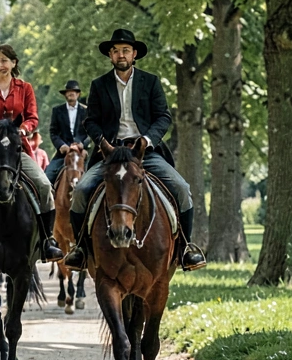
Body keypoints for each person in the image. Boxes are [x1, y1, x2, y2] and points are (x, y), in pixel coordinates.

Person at [62, 28, 206, 273]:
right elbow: (91, 121)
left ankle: (185, 248)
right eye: (116, 51)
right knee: (81, 191)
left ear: (134, 53)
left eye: (125, 50)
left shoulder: (150, 82)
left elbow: (163, 116)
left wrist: (147, 139)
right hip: (111, 154)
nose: (121, 55)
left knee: (182, 189)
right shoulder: (99, 85)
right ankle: (80, 249)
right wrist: (102, 143)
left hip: (144, 153)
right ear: (110, 55)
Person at [0, 44, 64, 262]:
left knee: (44, 186)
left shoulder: (25, 88)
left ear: (14, 63)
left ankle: (47, 240)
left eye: (5, 60)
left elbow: (33, 117)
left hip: (18, 150)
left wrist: (24, 129)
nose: (0, 65)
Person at [45, 79, 88, 184]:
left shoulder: (87, 111)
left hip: (83, 153)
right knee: (47, 177)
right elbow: (53, 132)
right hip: (63, 154)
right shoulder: (57, 111)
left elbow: (91, 133)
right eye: (69, 91)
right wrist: (61, 145)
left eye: (74, 91)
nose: (71, 93)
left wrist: (83, 144)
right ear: (65, 94)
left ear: (78, 94)